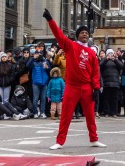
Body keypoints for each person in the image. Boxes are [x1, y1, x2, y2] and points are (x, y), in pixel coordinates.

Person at [43, 9, 106, 151]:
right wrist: (50, 20)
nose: (85, 34)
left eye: (87, 33)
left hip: (87, 87)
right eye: (82, 33)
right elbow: (58, 35)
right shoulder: (71, 46)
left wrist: (96, 88)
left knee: (90, 116)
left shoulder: (92, 53)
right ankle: (59, 141)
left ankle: (94, 139)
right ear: (77, 36)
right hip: (72, 86)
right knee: (66, 115)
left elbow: (95, 72)